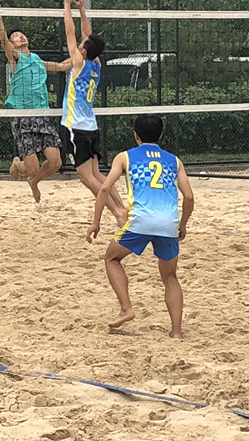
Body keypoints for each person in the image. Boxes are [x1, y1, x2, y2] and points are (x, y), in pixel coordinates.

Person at [86, 114, 194, 338]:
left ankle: (126, 308)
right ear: (161, 135)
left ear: (136, 135)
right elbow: (189, 197)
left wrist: (96, 222)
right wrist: (182, 224)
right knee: (170, 277)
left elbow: (104, 188)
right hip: (168, 222)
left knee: (111, 258)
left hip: (140, 221)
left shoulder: (125, 157)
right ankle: (176, 332)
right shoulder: (174, 161)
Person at [0, 0, 71, 202]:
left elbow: (62, 66)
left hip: (42, 115)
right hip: (23, 116)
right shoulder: (15, 58)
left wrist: (83, 54)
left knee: (56, 162)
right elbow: (3, 39)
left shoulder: (37, 60)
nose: (20, 36)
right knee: (32, 168)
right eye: (16, 36)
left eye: (21, 34)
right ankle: (17, 164)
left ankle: (33, 182)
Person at [62, 0, 127, 225]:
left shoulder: (79, 63)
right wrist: (82, 10)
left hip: (76, 127)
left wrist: (67, 5)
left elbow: (71, 34)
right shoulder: (97, 64)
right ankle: (123, 208)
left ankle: (118, 213)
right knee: (98, 174)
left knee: (87, 178)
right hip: (91, 126)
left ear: (83, 50)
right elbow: (88, 36)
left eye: (82, 45)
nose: (79, 44)